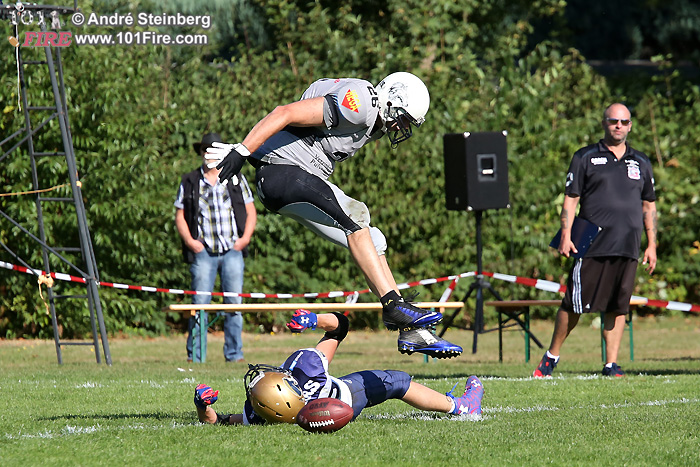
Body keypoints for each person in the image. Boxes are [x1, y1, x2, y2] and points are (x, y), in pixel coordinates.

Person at [203, 72, 462, 358]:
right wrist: (243, 150)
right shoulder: (362, 103)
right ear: (391, 99)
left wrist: (250, 152)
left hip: (293, 176)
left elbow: (298, 136)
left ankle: (410, 329)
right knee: (357, 217)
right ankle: (393, 307)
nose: (401, 127)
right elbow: (285, 113)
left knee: (374, 239)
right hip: (284, 174)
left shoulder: (374, 121)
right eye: (402, 119)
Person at [533, 103, 657, 378]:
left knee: (618, 305)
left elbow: (649, 205)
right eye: (613, 121)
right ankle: (551, 356)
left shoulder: (641, 161)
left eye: (624, 122)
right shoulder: (585, 157)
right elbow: (571, 199)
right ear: (604, 123)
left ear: (630, 126)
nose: (618, 126)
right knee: (574, 304)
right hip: (592, 244)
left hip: (627, 245)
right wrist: (566, 235)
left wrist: (652, 244)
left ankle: (611, 364)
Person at [192, 310, 484, 426]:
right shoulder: (305, 367)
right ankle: (461, 406)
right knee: (397, 381)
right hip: (345, 396)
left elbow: (219, 421)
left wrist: (202, 405)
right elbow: (340, 326)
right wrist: (314, 319)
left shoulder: (265, 413)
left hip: (325, 404)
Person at [175, 132, 257, 363]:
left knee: (234, 305)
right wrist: (190, 242)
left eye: (214, 150)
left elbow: (251, 211)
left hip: (232, 250)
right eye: (206, 150)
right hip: (203, 253)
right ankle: (196, 356)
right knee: (199, 306)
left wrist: (245, 239)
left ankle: (234, 355)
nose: (209, 154)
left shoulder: (236, 177)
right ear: (201, 153)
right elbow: (180, 215)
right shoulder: (190, 180)